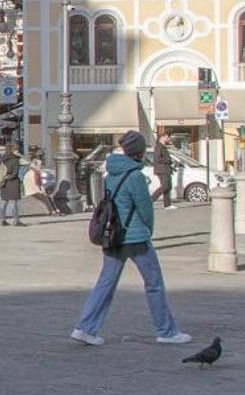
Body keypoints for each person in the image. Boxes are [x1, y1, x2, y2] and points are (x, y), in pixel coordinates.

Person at [70, 130, 191, 347]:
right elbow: (145, 209)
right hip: (136, 239)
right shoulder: (135, 176)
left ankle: (85, 327)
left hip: (112, 236)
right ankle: (167, 331)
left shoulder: (111, 173)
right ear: (139, 152)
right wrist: (148, 230)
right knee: (154, 284)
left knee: (105, 283)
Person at [0, 146, 25, 227]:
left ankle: (2, 220)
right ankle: (16, 221)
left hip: (4, 183)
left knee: (4, 202)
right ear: (13, 151)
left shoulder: (3, 159)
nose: (18, 151)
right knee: (13, 203)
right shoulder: (15, 160)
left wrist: (5, 178)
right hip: (12, 183)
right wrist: (10, 177)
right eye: (16, 150)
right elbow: (15, 173)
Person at [26, 152, 58, 217]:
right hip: (32, 191)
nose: (40, 167)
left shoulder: (31, 172)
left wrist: (42, 190)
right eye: (39, 165)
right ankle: (53, 211)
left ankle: (55, 210)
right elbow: (37, 183)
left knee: (47, 196)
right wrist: (41, 191)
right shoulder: (35, 173)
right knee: (45, 198)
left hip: (32, 190)